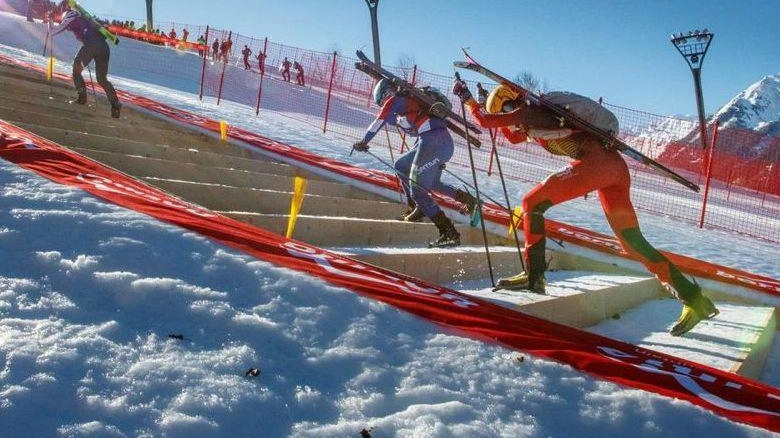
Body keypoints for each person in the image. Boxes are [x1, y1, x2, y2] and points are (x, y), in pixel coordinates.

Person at [451, 79, 718, 336]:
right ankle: (695, 300)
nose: (509, 118)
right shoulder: (534, 118)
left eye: (505, 110)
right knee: (632, 243)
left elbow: (487, 122)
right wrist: (487, 101)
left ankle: (534, 277)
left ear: (511, 104)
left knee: (531, 203)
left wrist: (468, 100)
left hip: (596, 165)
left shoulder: (531, 111)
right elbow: (512, 137)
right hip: (613, 169)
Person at [352, 79, 478, 248]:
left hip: (433, 142)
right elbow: (416, 129)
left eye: (381, 102)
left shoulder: (394, 100)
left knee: (418, 190)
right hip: (437, 142)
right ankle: (465, 201)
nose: (382, 105)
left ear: (385, 94)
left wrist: (363, 141)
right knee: (403, 167)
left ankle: (449, 233)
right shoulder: (412, 102)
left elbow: (378, 122)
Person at [51, 1, 121, 118]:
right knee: (102, 79)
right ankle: (115, 104)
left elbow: (55, 31)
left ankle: (82, 99)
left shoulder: (70, 15)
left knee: (76, 69)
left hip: (91, 45)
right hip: (103, 47)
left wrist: (50, 22)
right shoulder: (80, 16)